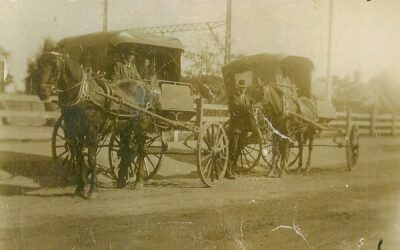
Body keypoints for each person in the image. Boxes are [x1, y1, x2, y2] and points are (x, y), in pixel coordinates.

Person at [226, 79, 260, 179]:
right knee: (233, 149)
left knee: (239, 150)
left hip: (244, 129)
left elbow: (254, 103)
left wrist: (258, 105)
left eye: (244, 88)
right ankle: (228, 171)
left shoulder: (248, 98)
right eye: (241, 88)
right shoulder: (233, 98)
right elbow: (240, 108)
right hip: (235, 128)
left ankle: (233, 169)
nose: (242, 90)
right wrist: (250, 107)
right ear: (238, 88)